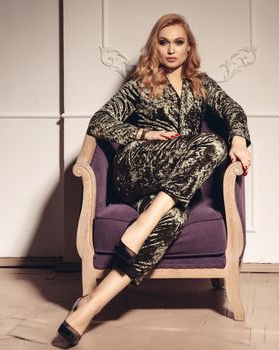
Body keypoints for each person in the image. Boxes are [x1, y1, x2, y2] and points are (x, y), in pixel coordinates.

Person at [57, 13, 252, 346]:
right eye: (164, 42)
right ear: (155, 47)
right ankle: (146, 219)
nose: (171, 50)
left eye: (178, 42)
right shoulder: (141, 83)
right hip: (136, 167)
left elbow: (235, 112)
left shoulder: (200, 84)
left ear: (189, 47)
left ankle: (89, 306)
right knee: (211, 145)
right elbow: (99, 123)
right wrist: (144, 133)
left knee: (173, 216)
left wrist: (238, 139)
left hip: (170, 186)